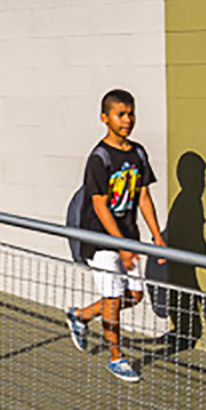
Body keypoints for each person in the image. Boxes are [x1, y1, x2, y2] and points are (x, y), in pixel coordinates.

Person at [65, 88, 165, 383]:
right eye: (120, 114)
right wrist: (118, 244)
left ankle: (81, 316)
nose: (127, 120)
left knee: (133, 295)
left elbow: (143, 196)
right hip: (102, 240)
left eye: (131, 113)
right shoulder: (100, 158)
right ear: (104, 118)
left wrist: (157, 237)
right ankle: (116, 357)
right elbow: (99, 204)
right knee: (112, 297)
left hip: (129, 237)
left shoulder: (138, 153)